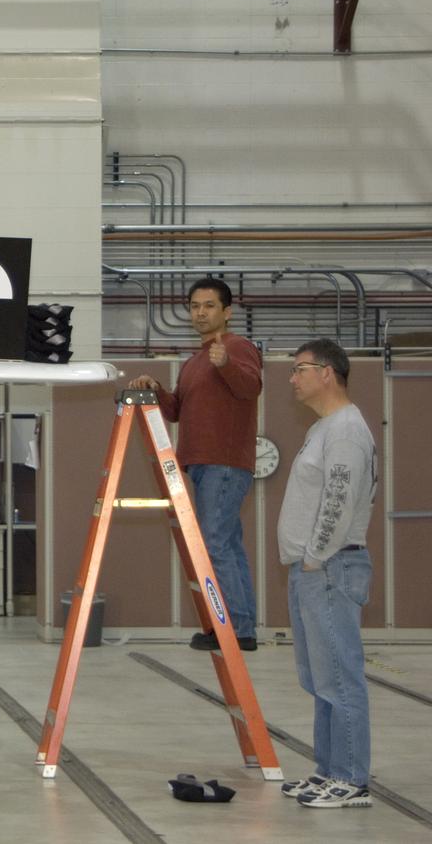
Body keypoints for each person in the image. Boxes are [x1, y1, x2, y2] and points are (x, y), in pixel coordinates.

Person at [128, 278, 262, 651]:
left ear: (227, 312)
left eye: (209, 306)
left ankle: (234, 630)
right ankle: (242, 626)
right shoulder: (194, 363)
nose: (200, 312)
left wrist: (227, 364)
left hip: (224, 462)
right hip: (202, 464)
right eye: (195, 306)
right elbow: (176, 412)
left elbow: (251, 387)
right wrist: (155, 388)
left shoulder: (237, 348)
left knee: (215, 544)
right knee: (227, 544)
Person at [277, 339, 376, 809]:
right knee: (320, 679)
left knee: (339, 675)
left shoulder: (345, 432)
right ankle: (329, 770)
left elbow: (338, 502)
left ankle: (352, 779)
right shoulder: (324, 428)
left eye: (300, 369)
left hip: (331, 568)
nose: (293, 378)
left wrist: (316, 556)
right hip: (313, 569)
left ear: (328, 373)